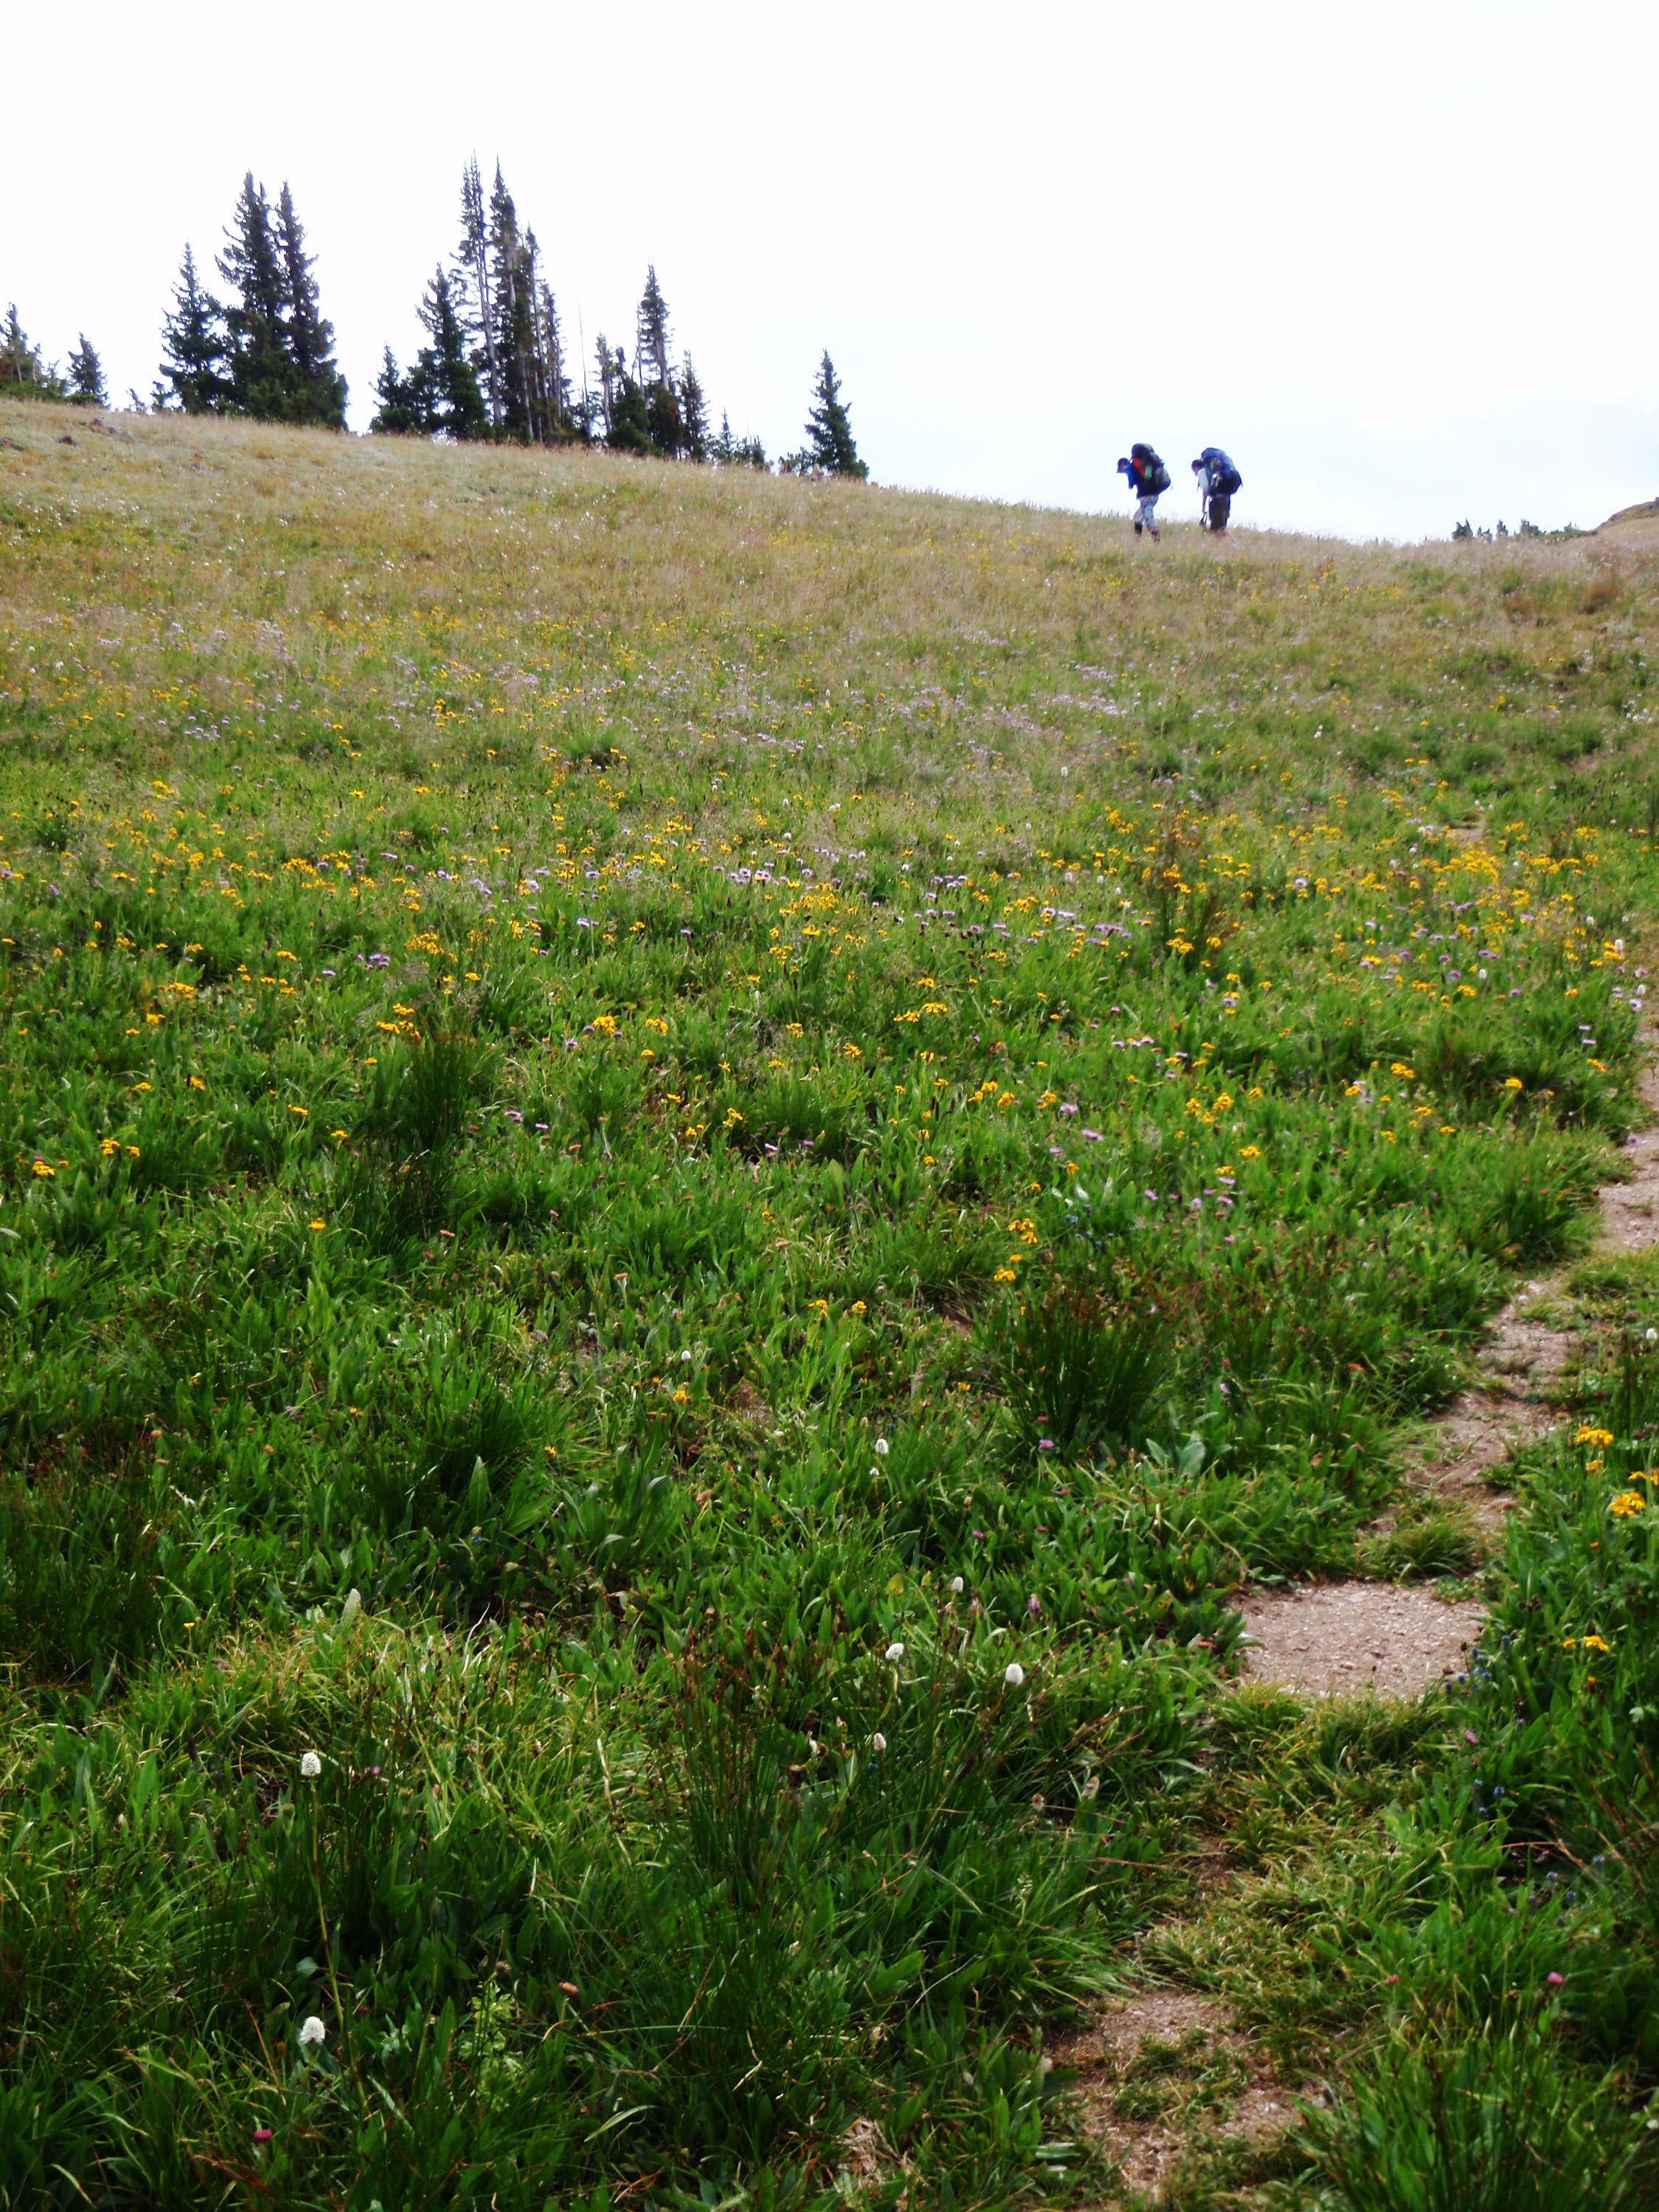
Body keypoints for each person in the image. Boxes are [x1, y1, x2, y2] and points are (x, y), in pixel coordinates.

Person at [1117, 443, 1170, 539]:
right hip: (1155, 493)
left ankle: (1155, 538)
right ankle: (1138, 541)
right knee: (1137, 518)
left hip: (1146, 495)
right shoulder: (1150, 463)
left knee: (1149, 518)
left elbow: (1132, 482)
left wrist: (1131, 481)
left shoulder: (1133, 465)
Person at [1192, 448, 1242, 533]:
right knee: (1218, 529)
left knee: (1217, 530)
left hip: (1218, 500)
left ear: (1196, 467)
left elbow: (1205, 490)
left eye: (1194, 471)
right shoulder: (1217, 471)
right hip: (1226, 497)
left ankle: (1234, 545)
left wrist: (1203, 506)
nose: (1195, 473)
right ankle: (1230, 545)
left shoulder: (1202, 472)